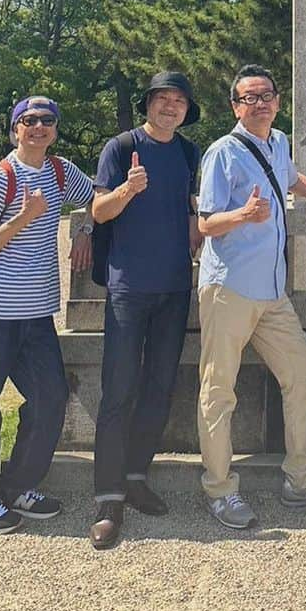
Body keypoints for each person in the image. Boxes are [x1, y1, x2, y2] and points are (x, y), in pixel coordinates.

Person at [196, 65, 306, 529]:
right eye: (249, 98)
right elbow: (205, 223)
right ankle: (220, 489)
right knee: (218, 388)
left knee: (304, 373)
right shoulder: (222, 153)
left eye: (266, 95)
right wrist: (243, 214)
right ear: (235, 106)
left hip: (272, 291)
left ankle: (302, 480)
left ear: (278, 101)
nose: (260, 103)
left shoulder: (278, 142)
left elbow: (289, 178)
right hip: (229, 286)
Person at [0, 96, 94, 535]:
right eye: (28, 121)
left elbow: (96, 198)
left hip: (36, 311)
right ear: (15, 129)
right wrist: (23, 218)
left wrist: (85, 229)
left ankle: (18, 483)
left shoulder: (60, 171)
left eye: (46, 121)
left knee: (51, 398)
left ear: (55, 128)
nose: (38, 127)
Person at [87, 71, 202, 549]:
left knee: (159, 385)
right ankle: (107, 497)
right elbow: (99, 211)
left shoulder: (189, 152)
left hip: (174, 286)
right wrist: (128, 190)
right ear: (148, 104)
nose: (170, 107)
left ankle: (136, 476)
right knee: (119, 387)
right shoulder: (120, 147)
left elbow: (195, 209)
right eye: (162, 99)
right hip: (129, 287)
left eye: (178, 101)